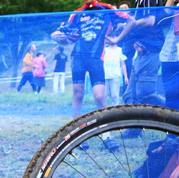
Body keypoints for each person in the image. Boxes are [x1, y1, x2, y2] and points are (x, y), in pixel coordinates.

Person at [52, 0, 134, 150]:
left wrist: (117, 39)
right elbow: (68, 35)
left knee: (99, 96)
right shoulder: (76, 14)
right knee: (78, 95)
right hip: (77, 58)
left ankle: (107, 136)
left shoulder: (107, 8)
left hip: (96, 58)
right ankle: (78, 136)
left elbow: (131, 20)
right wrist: (57, 36)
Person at [108, 0, 165, 109]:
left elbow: (150, 21)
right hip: (140, 53)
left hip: (151, 51)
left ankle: (178, 112)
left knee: (145, 95)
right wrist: (122, 28)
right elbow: (133, 24)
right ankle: (133, 126)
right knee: (130, 96)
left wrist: (129, 24)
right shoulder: (138, 2)